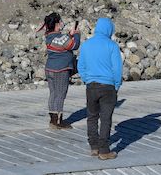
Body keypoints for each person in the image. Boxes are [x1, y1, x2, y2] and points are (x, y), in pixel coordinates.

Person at [77, 17, 123, 160]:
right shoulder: (112, 45)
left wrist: (87, 79)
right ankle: (104, 150)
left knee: (91, 116)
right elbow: (117, 69)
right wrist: (116, 85)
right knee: (105, 119)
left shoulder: (86, 45)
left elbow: (81, 66)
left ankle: (94, 146)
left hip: (91, 86)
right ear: (109, 30)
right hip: (108, 86)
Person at [43, 12, 80, 129]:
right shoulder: (60, 38)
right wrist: (77, 34)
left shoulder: (49, 37)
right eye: (60, 22)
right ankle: (58, 121)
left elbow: (61, 42)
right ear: (57, 24)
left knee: (53, 93)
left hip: (50, 69)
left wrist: (69, 34)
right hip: (61, 70)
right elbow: (74, 45)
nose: (61, 24)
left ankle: (53, 119)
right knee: (60, 94)